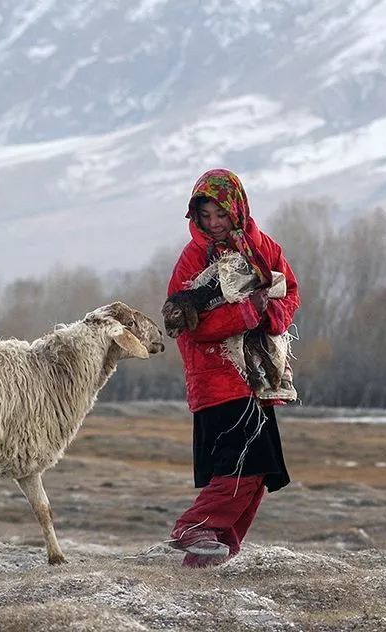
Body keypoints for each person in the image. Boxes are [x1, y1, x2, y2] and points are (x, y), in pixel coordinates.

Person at [165, 168, 300, 569]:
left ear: (237, 209)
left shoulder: (262, 248)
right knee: (242, 464)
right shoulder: (193, 258)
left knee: (259, 473)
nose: (213, 224)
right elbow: (185, 327)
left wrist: (271, 314)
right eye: (205, 216)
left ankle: (209, 557)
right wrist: (246, 312)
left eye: (219, 215)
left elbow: (289, 291)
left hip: (257, 377)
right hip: (216, 378)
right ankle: (193, 527)